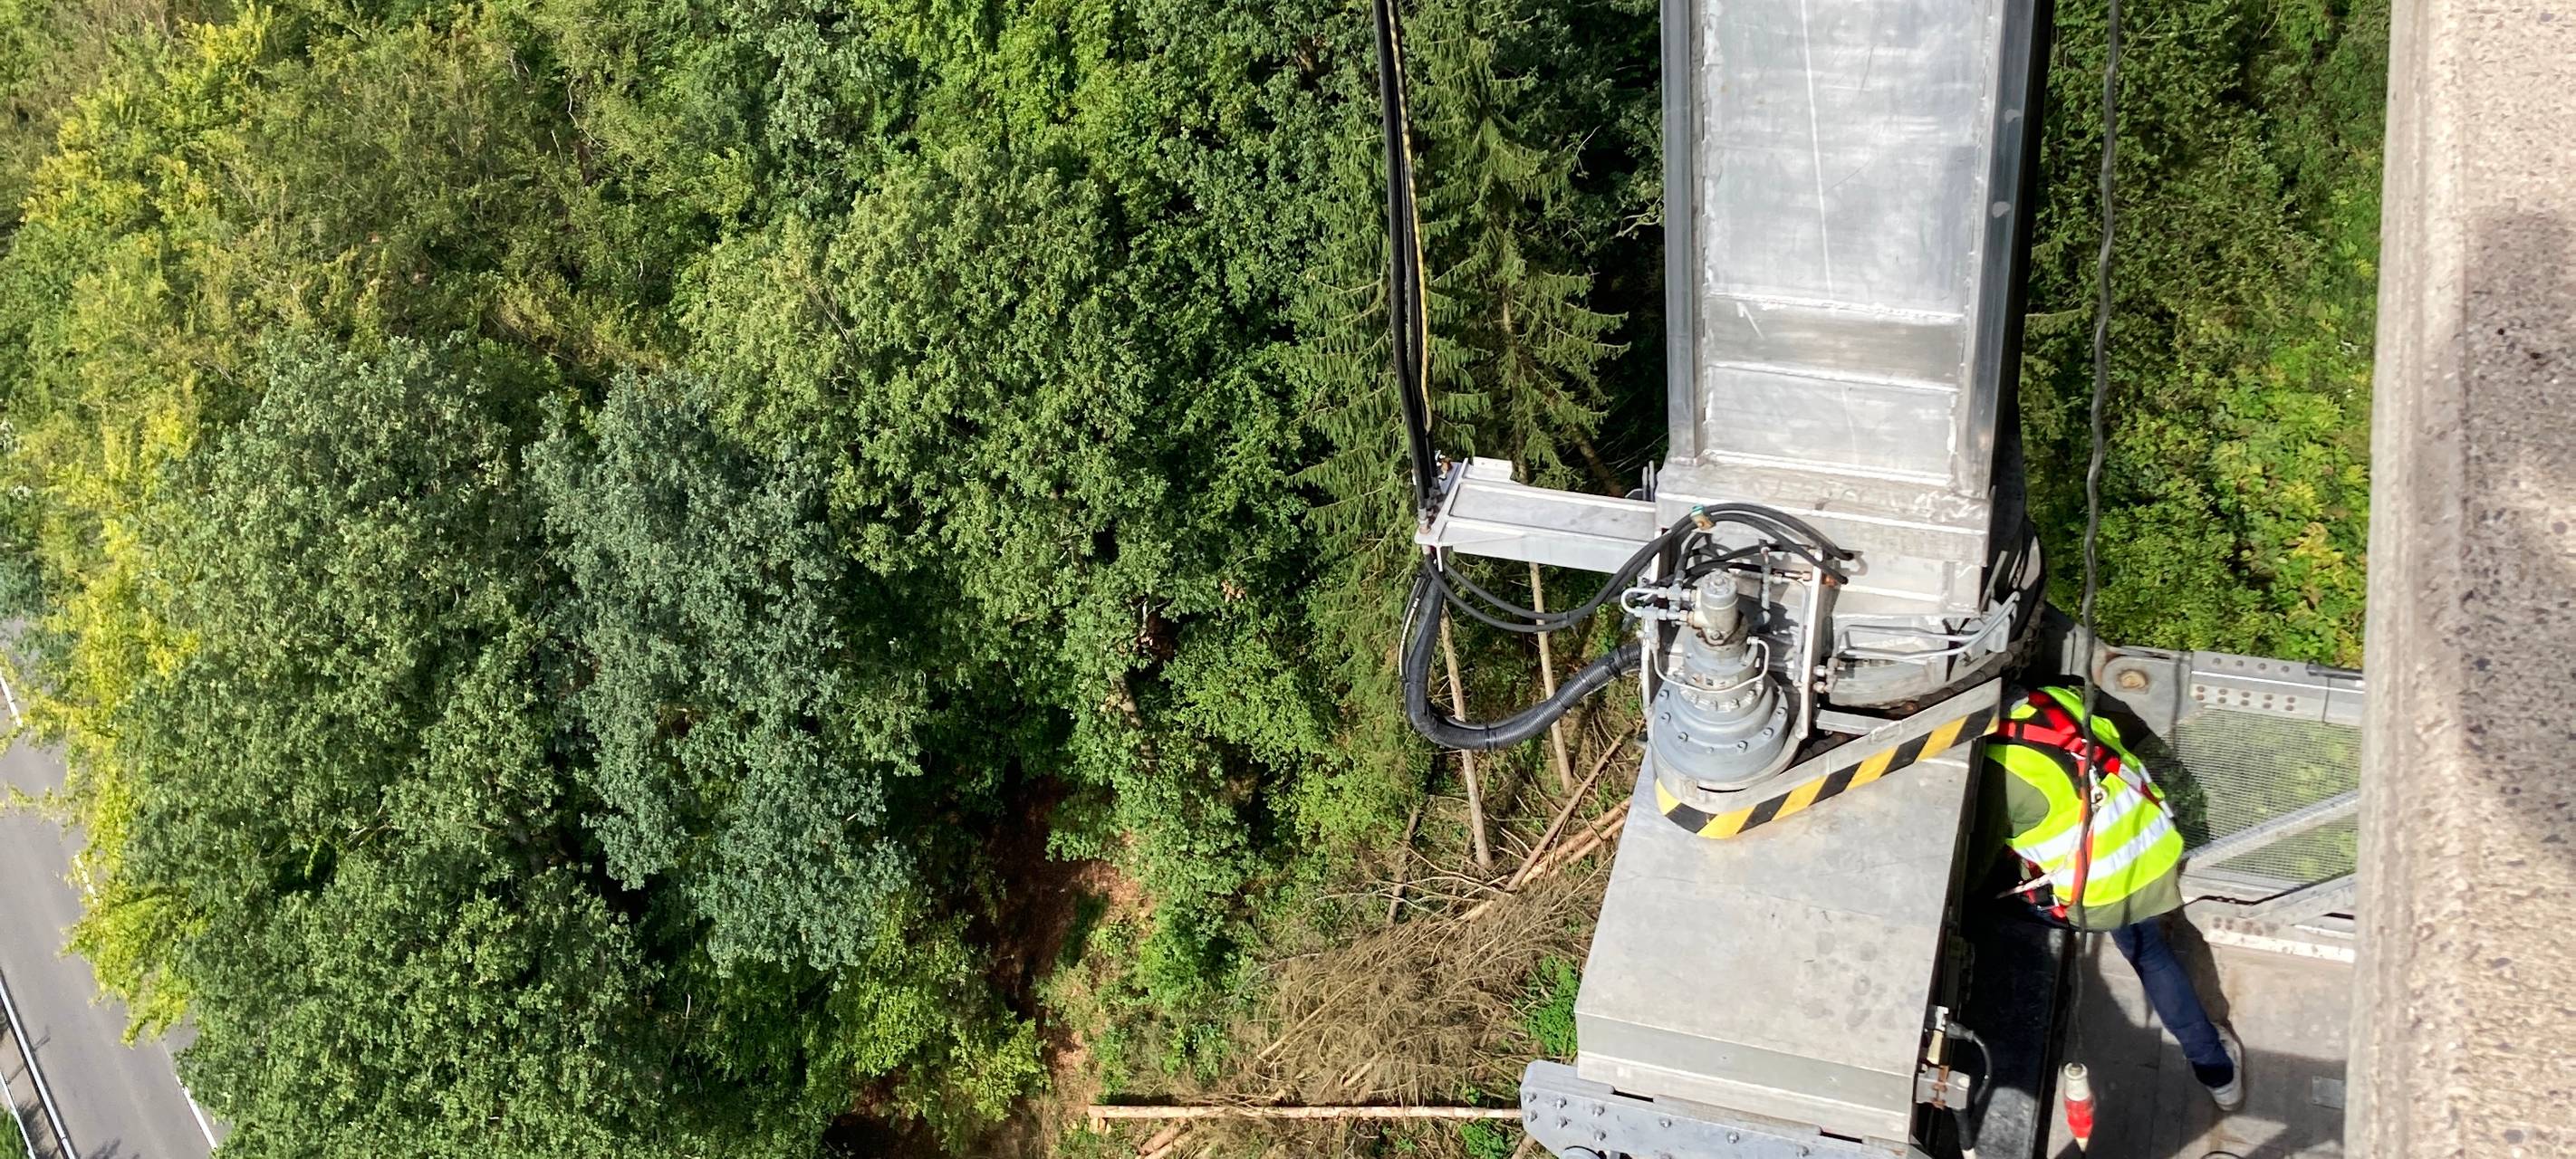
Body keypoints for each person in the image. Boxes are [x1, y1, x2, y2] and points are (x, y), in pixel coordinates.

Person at [1984, 685, 2244, 1111]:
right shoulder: (2051, 700)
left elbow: (1977, 859)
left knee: (1998, 903)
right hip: (2156, 849)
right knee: (2152, 955)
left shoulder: (2000, 770)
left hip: (2100, 892)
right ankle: (2219, 1076)